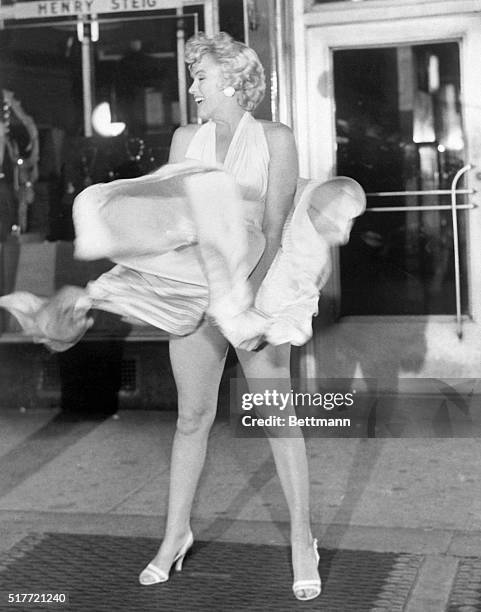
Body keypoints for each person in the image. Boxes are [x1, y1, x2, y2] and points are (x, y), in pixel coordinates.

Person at [0, 33, 366, 601]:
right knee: (191, 419)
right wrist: (163, 283)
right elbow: (171, 220)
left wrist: (238, 297)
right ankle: (175, 536)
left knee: (277, 417)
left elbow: (272, 230)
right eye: (194, 76)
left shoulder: (276, 138)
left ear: (234, 81)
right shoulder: (185, 139)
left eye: (201, 77)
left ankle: (301, 539)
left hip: (259, 292)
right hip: (192, 290)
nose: (193, 87)